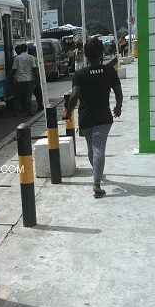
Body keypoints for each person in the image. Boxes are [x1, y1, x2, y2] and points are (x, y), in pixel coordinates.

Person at [62, 37, 123, 199]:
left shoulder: (80, 74)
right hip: (103, 116)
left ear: (85, 54)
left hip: (86, 117)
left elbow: (74, 95)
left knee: (92, 148)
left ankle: (97, 175)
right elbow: (118, 91)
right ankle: (96, 183)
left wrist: (68, 114)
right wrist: (118, 106)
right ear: (101, 52)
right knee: (99, 149)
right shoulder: (109, 70)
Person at [11, 43, 36, 116]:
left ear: (21, 49)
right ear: (26, 49)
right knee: (28, 96)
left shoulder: (17, 58)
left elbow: (14, 69)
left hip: (19, 80)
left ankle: (16, 111)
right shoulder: (31, 57)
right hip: (28, 79)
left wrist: (10, 80)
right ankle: (29, 111)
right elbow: (34, 69)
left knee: (17, 96)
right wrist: (36, 79)